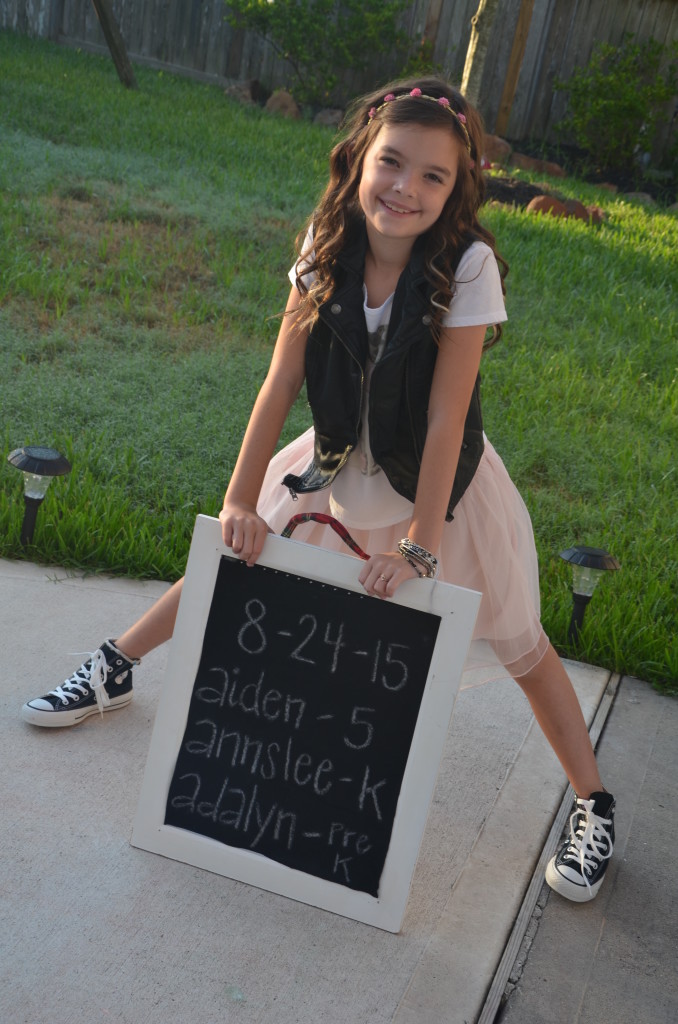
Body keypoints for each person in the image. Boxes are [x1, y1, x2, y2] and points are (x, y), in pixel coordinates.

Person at [21, 77, 614, 904]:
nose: (406, 188)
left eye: (433, 176)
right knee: (240, 555)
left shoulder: (467, 267)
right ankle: (116, 666)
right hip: (338, 462)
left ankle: (594, 804)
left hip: (438, 492)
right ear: (360, 160)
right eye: (392, 164)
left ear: (457, 189)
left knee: (521, 643)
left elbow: (447, 418)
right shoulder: (327, 242)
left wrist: (420, 546)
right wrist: (237, 496)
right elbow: (278, 383)